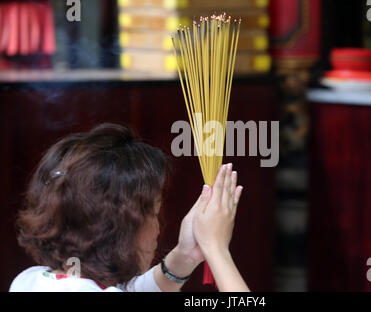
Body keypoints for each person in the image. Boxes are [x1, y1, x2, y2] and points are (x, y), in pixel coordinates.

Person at [9, 123, 249, 292]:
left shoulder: (28, 281)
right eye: (155, 212)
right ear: (120, 229)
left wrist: (185, 255)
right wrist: (216, 248)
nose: (159, 227)